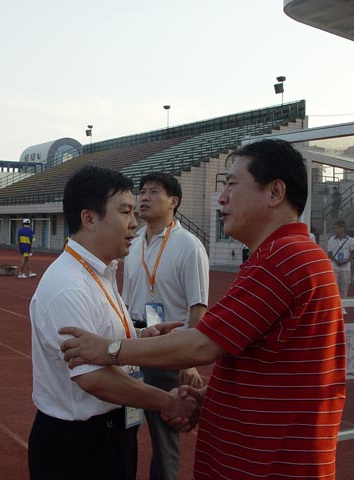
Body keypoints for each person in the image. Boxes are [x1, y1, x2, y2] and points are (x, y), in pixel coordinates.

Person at [61, 140, 347, 480]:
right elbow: (273, 365)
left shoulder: (282, 258)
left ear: (275, 192)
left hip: (269, 464)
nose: (221, 198)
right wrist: (213, 395)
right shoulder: (289, 255)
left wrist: (109, 350)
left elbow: (202, 344)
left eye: (231, 184)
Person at [29, 165, 198, 480]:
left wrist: (140, 336)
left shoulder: (101, 271)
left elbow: (102, 336)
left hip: (113, 430)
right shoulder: (69, 286)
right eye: (125, 212)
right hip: (78, 445)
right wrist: (167, 402)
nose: (134, 222)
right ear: (89, 218)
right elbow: (94, 378)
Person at [123, 172, 209, 480]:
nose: (143, 197)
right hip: (135, 344)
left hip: (168, 348)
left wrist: (189, 361)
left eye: (153, 191)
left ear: (173, 201)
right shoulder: (132, 244)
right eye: (142, 191)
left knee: (164, 438)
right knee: (124, 429)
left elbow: (198, 306)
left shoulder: (188, 245)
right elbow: (125, 299)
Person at [327, 219, 354, 315]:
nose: (335, 230)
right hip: (334, 266)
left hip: (345, 267)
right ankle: (334, 306)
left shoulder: (350, 240)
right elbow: (329, 252)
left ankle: (343, 307)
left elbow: (353, 252)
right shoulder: (331, 240)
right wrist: (336, 260)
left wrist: (347, 260)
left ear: (342, 229)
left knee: (344, 287)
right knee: (334, 287)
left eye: (336, 228)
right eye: (334, 228)